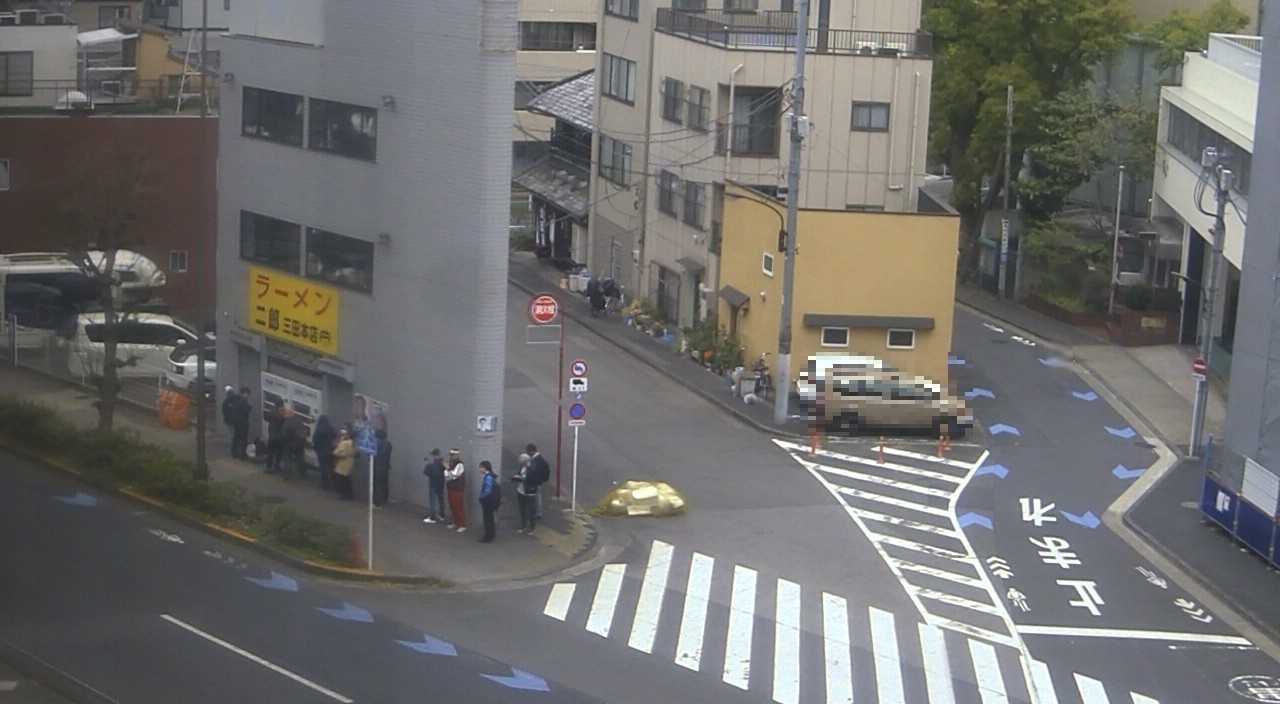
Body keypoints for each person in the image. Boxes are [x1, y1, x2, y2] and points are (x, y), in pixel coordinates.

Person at [512, 453, 538, 533]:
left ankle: (532, 528)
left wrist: (522, 479)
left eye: (522, 462)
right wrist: (517, 477)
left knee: (531, 510)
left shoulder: (532, 469)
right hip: (521, 491)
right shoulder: (522, 467)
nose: (521, 463)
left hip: (529, 492)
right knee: (522, 509)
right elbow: (520, 474)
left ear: (526, 461)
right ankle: (523, 526)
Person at [477, 460, 501, 543]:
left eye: (480, 467)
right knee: (490, 518)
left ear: (485, 468)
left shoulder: (488, 477)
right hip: (491, 501)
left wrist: (481, 497)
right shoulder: (491, 476)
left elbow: (487, 490)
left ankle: (488, 536)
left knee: (487, 519)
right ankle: (491, 535)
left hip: (487, 502)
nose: (479, 469)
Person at [444, 448, 467, 532]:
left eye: (453, 455)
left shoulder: (460, 465)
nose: (451, 457)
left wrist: (448, 469)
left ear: (457, 455)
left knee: (458, 507)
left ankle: (462, 524)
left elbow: (454, 475)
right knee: (452, 506)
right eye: (450, 455)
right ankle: (456, 522)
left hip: (458, 489)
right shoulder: (450, 463)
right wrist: (448, 472)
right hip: (450, 488)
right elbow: (447, 476)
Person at [527, 443, 551, 520]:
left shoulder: (537, 460)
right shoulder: (540, 458)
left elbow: (535, 471)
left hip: (535, 482)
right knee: (537, 497)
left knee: (536, 497)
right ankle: (537, 512)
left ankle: (537, 513)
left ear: (531, 451)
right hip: (539, 481)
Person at [312, 415, 337, 490]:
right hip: (330, 451)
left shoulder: (318, 430)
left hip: (321, 451)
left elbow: (315, 440)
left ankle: (325, 484)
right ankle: (335, 484)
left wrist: (316, 448)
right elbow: (335, 435)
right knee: (332, 467)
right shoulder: (331, 429)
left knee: (323, 468)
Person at [421, 448, 446, 524]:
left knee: (432, 500)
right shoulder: (443, 462)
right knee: (441, 498)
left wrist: (426, 464)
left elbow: (425, 472)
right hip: (441, 482)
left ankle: (432, 517)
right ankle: (442, 515)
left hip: (433, 483)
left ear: (433, 455)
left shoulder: (431, 464)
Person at [280, 409, 307, 481]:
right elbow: (303, 432)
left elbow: (284, 437)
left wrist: (288, 444)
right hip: (300, 444)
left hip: (289, 445)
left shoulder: (286, 425)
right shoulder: (299, 422)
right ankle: (303, 474)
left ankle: (286, 476)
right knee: (300, 459)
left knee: (287, 460)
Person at [227, 387, 252, 460]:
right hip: (243, 422)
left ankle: (234, 453)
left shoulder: (236, 399)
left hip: (236, 422)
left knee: (236, 438)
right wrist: (250, 406)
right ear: (246, 393)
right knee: (243, 439)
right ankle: (242, 455)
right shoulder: (244, 401)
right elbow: (246, 410)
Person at [332, 425, 356, 500]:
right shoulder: (353, 443)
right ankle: (350, 494)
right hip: (350, 461)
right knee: (347, 479)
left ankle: (344, 494)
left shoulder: (345, 443)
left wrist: (338, 444)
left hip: (343, 462)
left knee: (342, 479)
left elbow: (336, 452)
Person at [372, 428, 392, 508]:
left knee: (377, 484)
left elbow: (373, 455)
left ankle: (377, 503)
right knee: (384, 483)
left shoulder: (375, 444)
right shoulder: (388, 444)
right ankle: (385, 499)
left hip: (377, 465)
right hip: (386, 465)